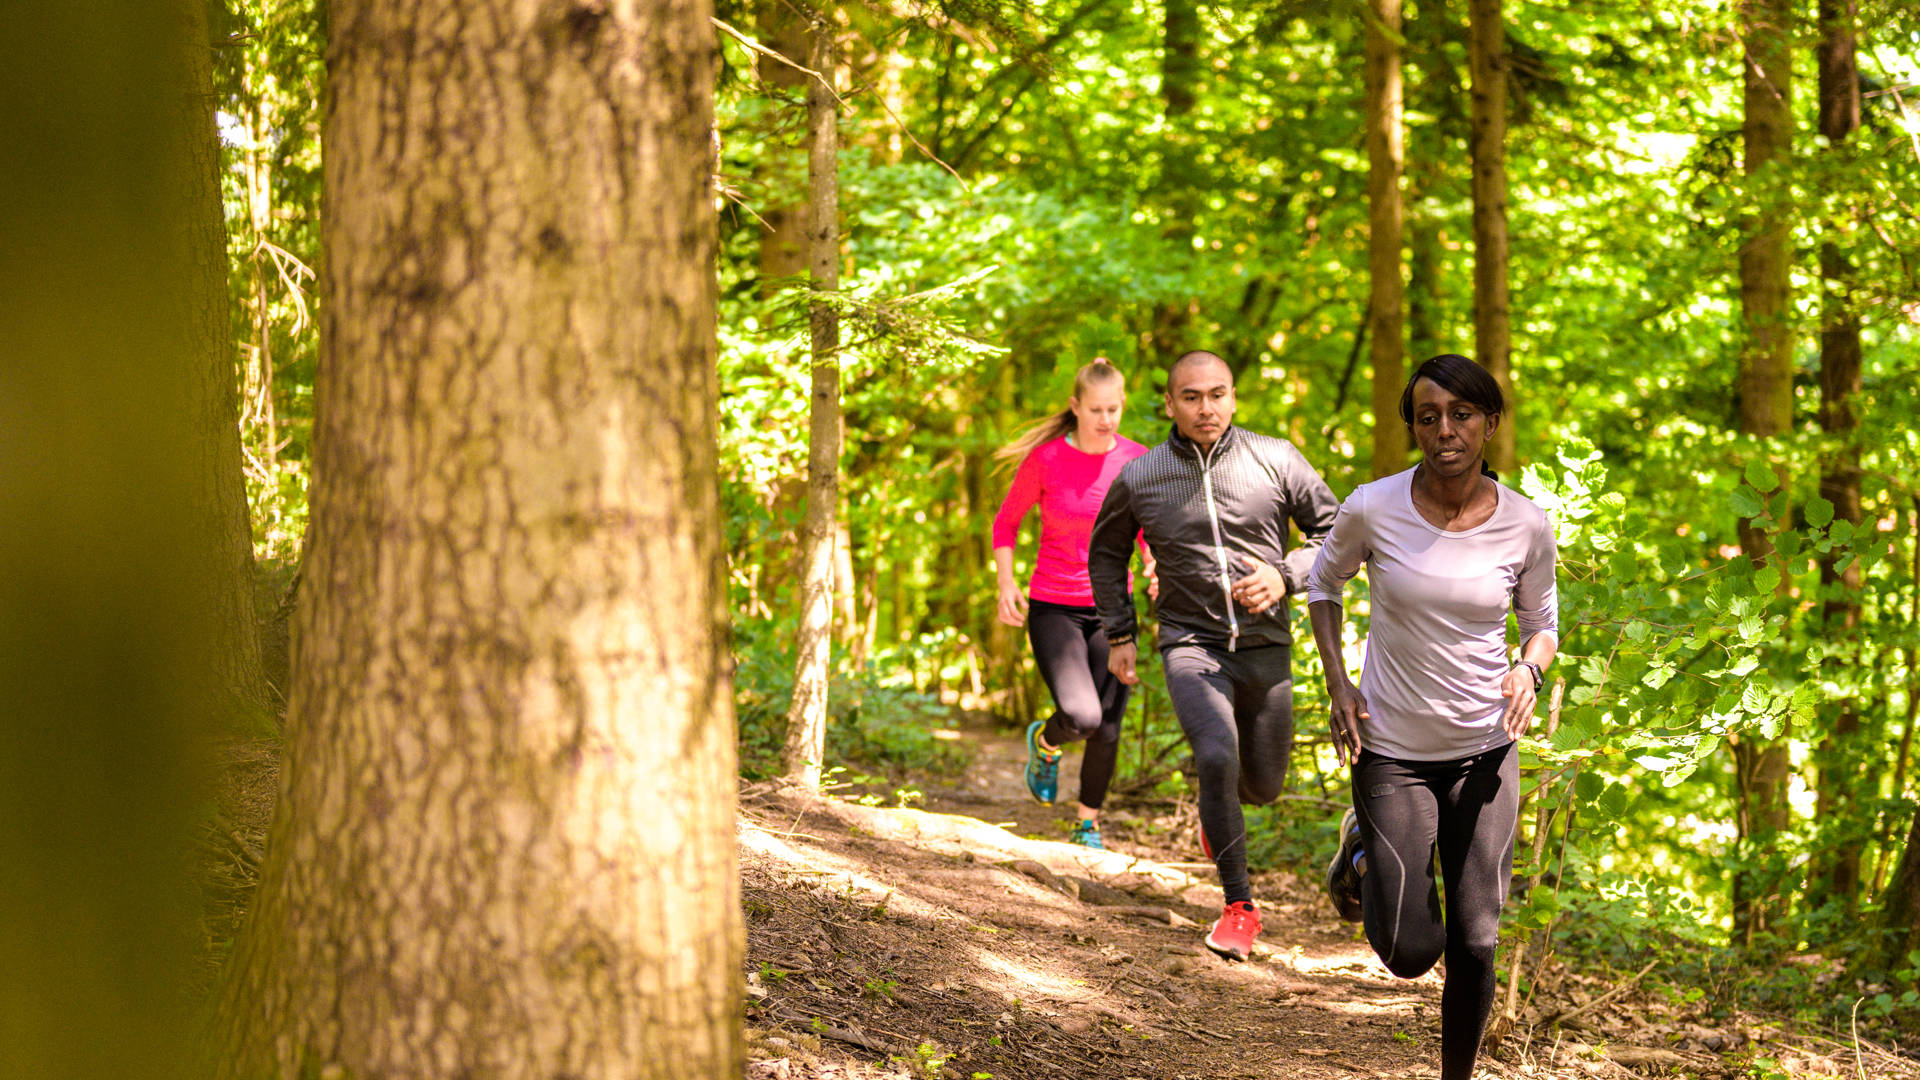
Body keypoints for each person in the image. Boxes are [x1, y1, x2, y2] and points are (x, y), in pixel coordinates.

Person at [1305, 353, 1559, 1080]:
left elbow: (1543, 623)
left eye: (1462, 414)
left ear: (1490, 423)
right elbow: (1324, 585)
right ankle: (1361, 853)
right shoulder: (1372, 506)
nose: (1444, 429)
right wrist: (1337, 684)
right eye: (1428, 416)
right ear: (1413, 426)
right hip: (1391, 749)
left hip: (1486, 748)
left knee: (1477, 939)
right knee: (1411, 952)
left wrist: (1529, 668)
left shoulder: (1526, 525)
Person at [1088, 350, 1339, 961]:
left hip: (1266, 646)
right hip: (1189, 643)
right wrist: (1120, 634)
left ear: (1234, 397)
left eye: (1218, 394)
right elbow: (1106, 554)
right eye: (1192, 397)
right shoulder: (1141, 476)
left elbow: (1336, 533)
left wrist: (1285, 575)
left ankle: (1217, 809)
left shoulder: (1274, 458)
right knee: (1215, 755)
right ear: (1170, 404)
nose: (1208, 408)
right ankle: (1239, 907)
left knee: (1263, 785)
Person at [992, 357, 1150, 849]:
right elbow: (1006, 524)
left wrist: (1153, 560)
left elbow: (1146, 523)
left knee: (1108, 724)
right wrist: (1005, 583)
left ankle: (1088, 824)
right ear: (1075, 407)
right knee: (1083, 716)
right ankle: (1046, 741)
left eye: (1114, 409)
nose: (1106, 420)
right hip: (1054, 605)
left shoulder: (1137, 459)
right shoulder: (1045, 460)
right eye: (1096, 409)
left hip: (1113, 608)